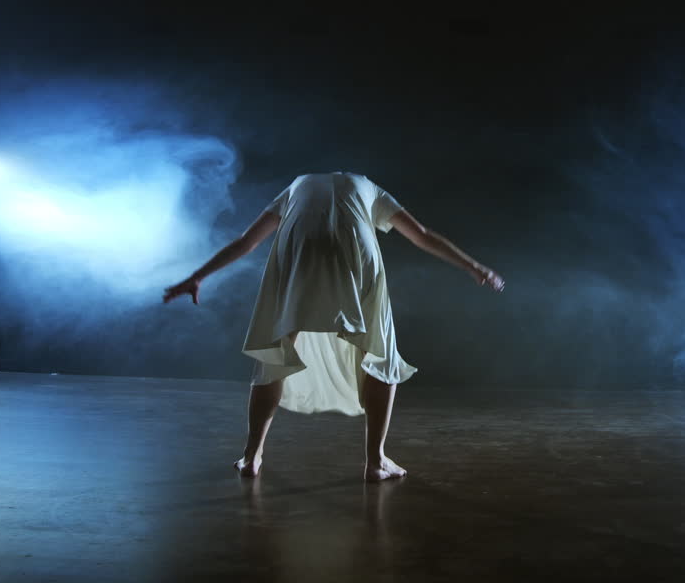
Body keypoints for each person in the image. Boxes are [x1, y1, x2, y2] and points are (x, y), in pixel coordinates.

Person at [163, 172, 504, 482]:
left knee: (276, 353)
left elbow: (247, 241)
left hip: (299, 254)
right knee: (379, 352)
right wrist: (474, 267)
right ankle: (375, 460)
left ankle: (251, 456)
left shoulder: (297, 184)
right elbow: (421, 235)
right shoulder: (369, 186)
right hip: (356, 253)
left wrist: (197, 276)